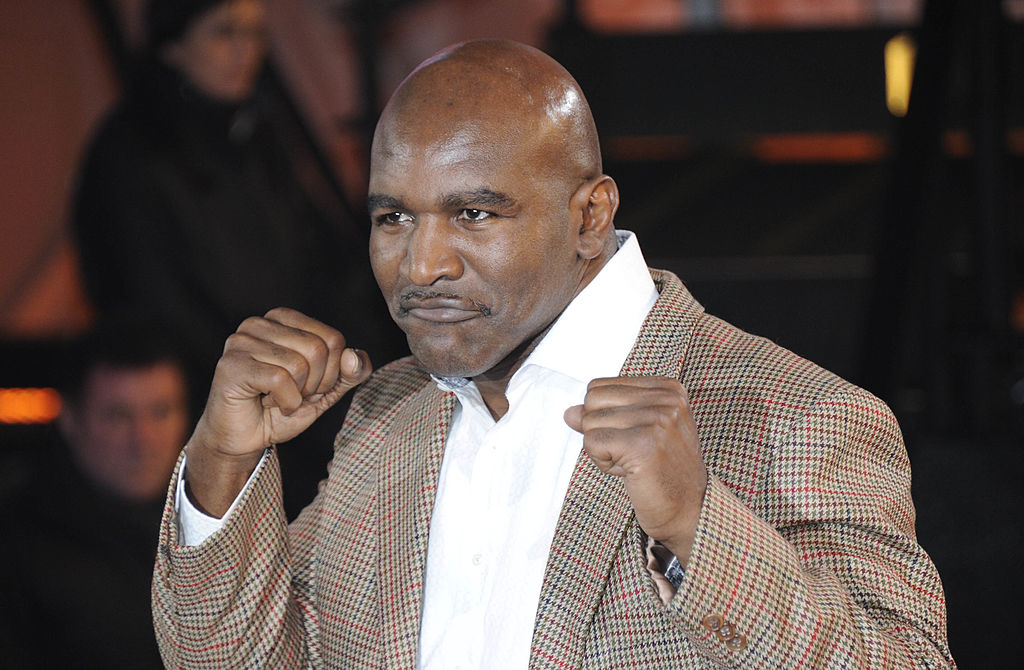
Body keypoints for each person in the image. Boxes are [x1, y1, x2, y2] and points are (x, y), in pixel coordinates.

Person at [151, 39, 955, 668]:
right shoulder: (386, 415)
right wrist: (224, 461)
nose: (420, 263)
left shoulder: (800, 414)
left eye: (472, 212)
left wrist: (696, 528)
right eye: (393, 217)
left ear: (589, 216)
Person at [72, 0, 404, 517]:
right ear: (175, 44)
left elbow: (321, 259)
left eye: (254, 34)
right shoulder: (130, 153)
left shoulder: (259, 133)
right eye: (225, 33)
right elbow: (151, 301)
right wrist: (257, 378)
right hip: (207, 408)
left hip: (293, 382)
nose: (245, 51)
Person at [0, 319, 190, 669]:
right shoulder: (18, 548)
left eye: (160, 412)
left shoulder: (221, 522)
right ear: (71, 419)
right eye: (119, 416)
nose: (143, 440)